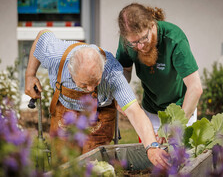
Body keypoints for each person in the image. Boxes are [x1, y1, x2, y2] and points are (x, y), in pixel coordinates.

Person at [25, 29, 170, 169]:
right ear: (70, 70)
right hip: (66, 110)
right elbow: (42, 36)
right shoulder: (55, 56)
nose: (90, 89)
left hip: (101, 112)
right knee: (63, 164)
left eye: (96, 82)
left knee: (94, 164)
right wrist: (30, 75)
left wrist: (152, 147)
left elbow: (134, 111)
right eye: (83, 84)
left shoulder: (113, 72)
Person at [116, 3, 203, 136]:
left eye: (144, 39)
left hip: (182, 109)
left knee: (180, 156)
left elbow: (195, 87)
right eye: (134, 43)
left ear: (152, 25)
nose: (140, 46)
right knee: (151, 155)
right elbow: (125, 70)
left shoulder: (174, 38)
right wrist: (120, 94)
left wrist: (177, 126)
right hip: (150, 111)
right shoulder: (127, 42)